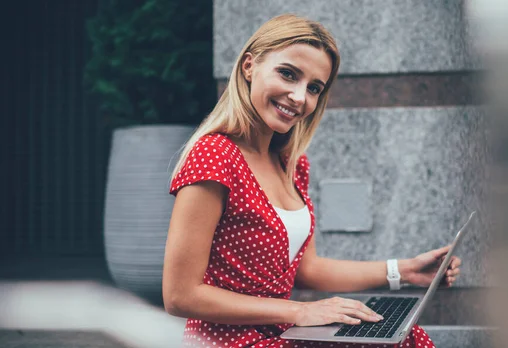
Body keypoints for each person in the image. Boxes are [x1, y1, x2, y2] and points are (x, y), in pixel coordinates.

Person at [163, 14, 461, 348]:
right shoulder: (215, 155)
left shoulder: (291, 163)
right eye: (288, 74)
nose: (299, 97)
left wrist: (401, 272)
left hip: (285, 331)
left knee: (407, 338)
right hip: (230, 340)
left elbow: (308, 270)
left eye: (314, 87)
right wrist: (299, 311)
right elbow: (179, 295)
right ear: (249, 66)